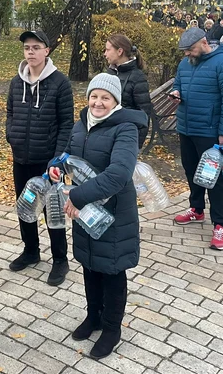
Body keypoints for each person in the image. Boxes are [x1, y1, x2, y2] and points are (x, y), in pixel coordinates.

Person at [49, 73, 146, 359]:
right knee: (90, 263)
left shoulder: (126, 128)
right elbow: (67, 155)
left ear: (115, 101)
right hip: (84, 212)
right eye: (94, 96)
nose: (98, 102)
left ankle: (112, 329)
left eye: (105, 97)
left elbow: (118, 175)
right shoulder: (81, 125)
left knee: (112, 269)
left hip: (113, 213)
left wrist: (76, 196)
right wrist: (54, 167)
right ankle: (94, 317)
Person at [6, 29, 74, 285]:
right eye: (27, 47)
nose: (31, 52)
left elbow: (67, 123)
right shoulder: (16, 82)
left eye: (36, 47)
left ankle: (60, 259)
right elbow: (10, 113)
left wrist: (58, 158)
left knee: (52, 211)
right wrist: (11, 136)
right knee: (26, 205)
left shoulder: (60, 83)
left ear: (47, 50)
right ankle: (31, 251)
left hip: (48, 162)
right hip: (21, 158)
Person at [170, 28, 223, 250]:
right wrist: (176, 92)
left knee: (214, 178)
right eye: (184, 51)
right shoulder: (185, 64)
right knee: (191, 170)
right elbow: (178, 84)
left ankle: (220, 224)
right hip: (187, 127)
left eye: (190, 50)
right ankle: (196, 209)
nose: (187, 55)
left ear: (203, 43)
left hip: (210, 130)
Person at [105, 34, 151, 148]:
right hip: (106, 135)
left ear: (120, 51)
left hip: (125, 139)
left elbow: (144, 114)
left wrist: (135, 145)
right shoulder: (109, 73)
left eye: (107, 50)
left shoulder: (137, 77)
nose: (105, 54)